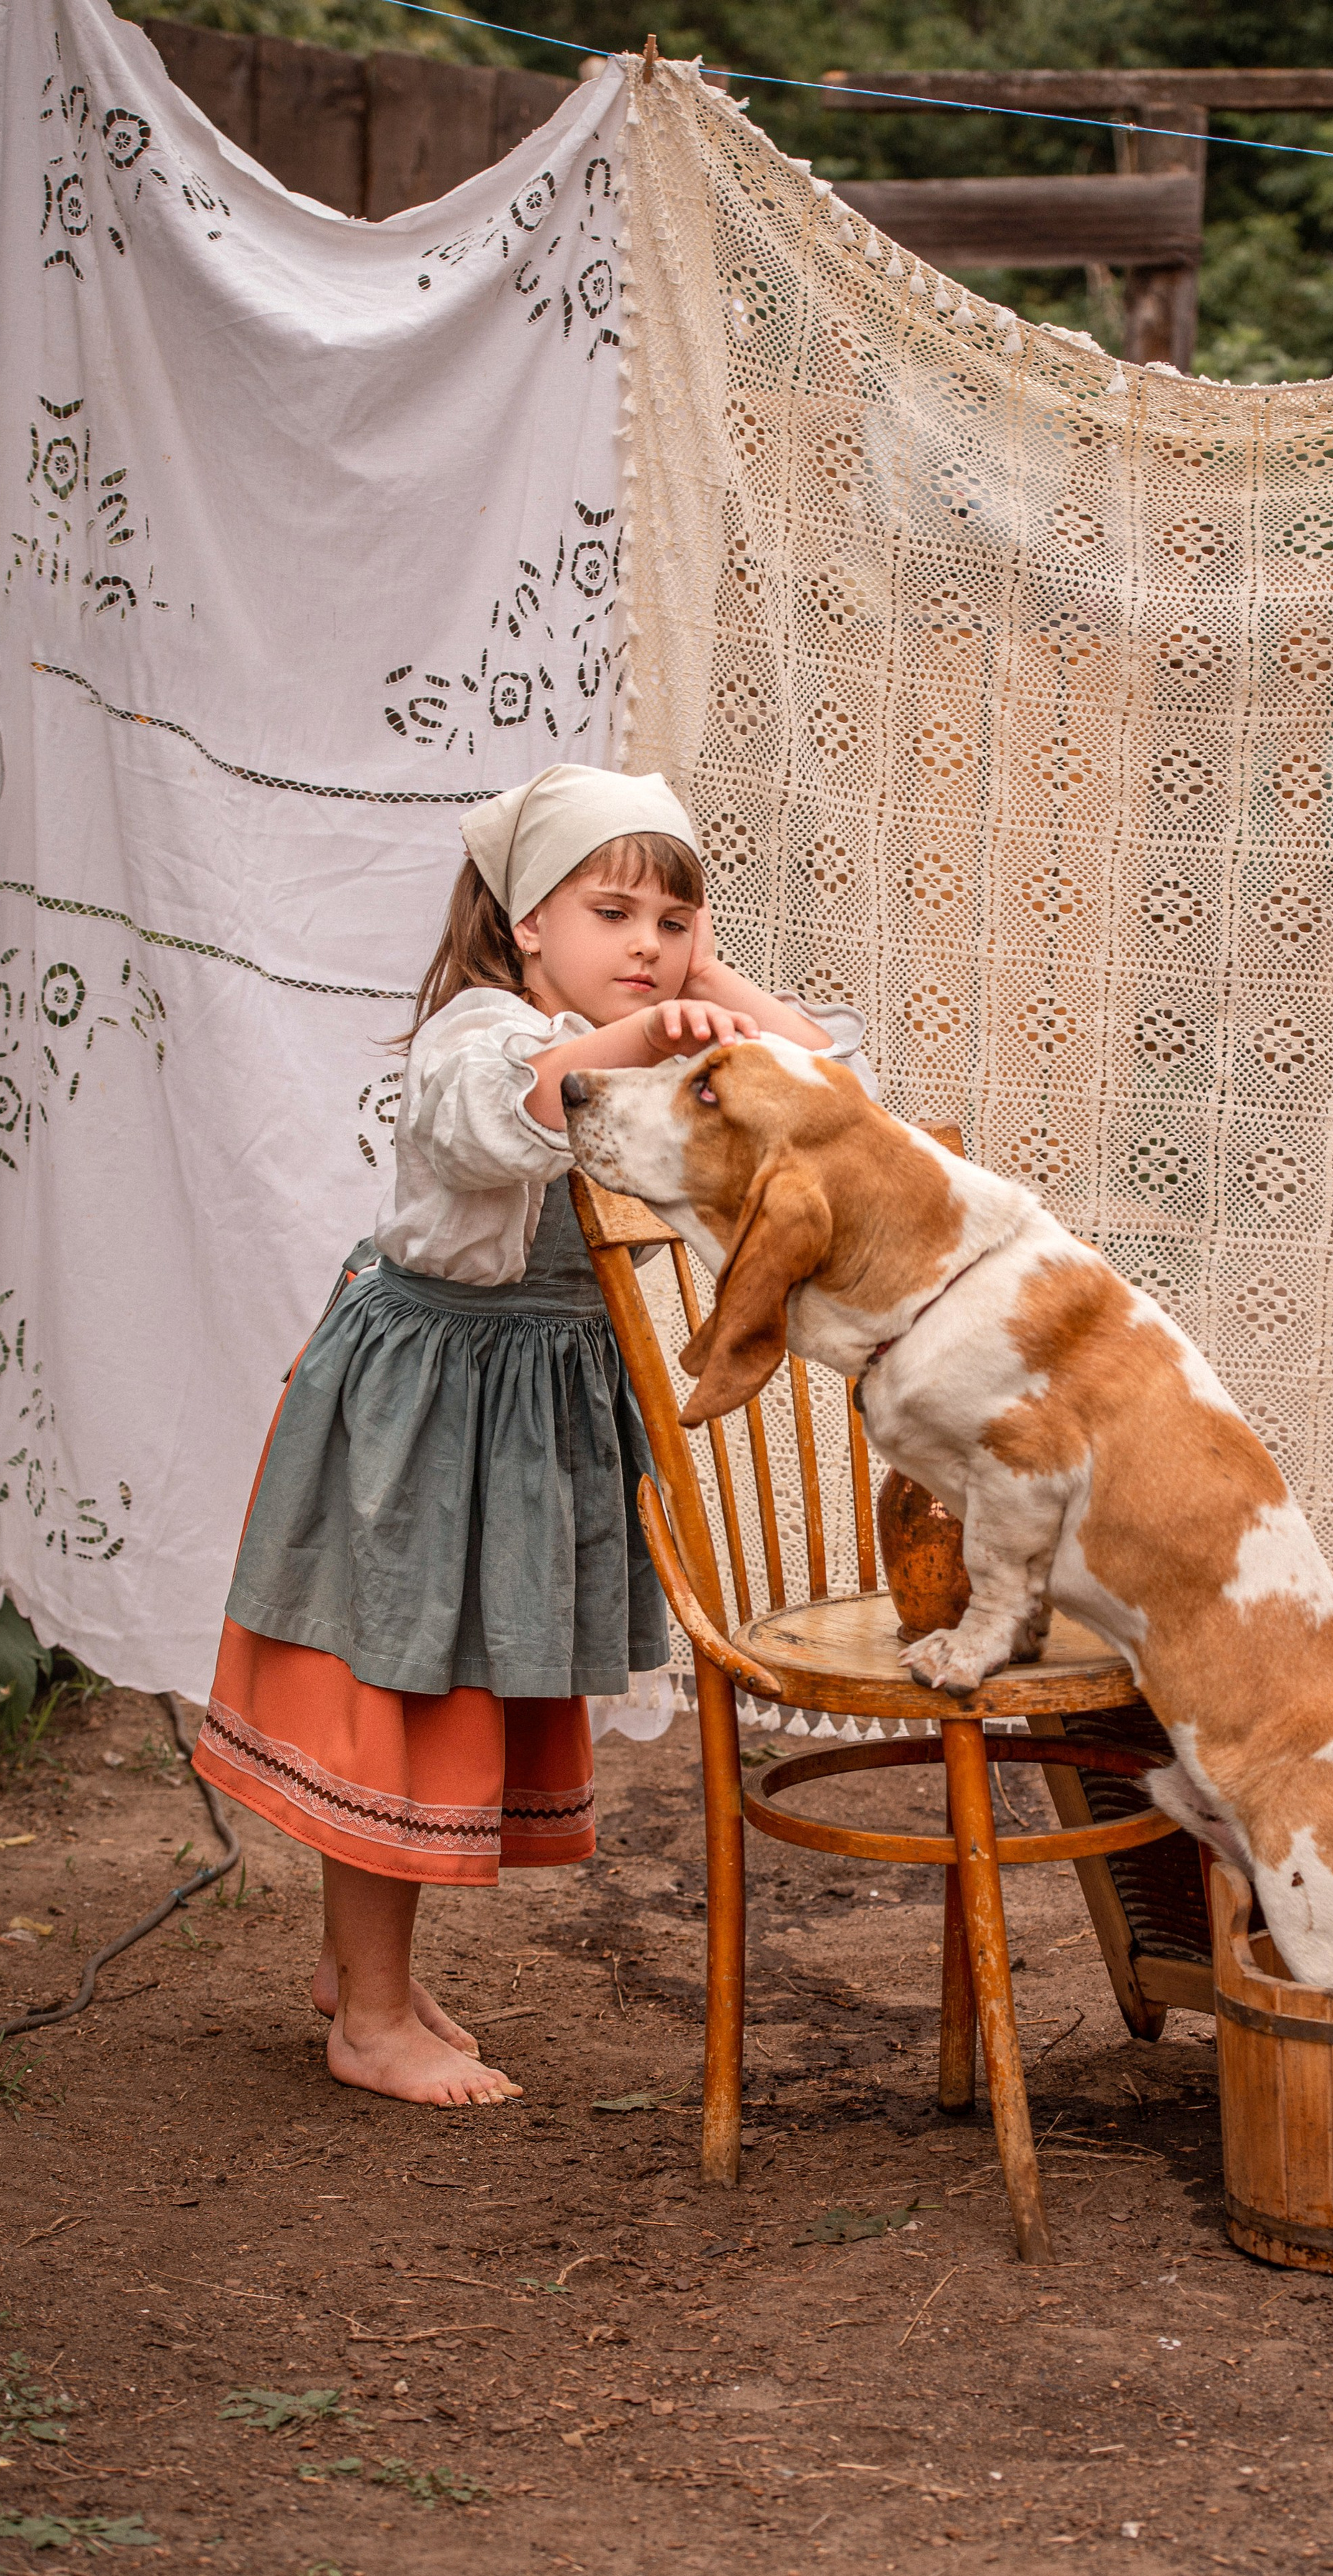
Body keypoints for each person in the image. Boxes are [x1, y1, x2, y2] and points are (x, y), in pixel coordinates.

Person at [192, 766, 864, 2106]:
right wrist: (637, 1033)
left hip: (530, 1408)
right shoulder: (483, 1030)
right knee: (408, 1687)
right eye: (612, 913)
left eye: (674, 921)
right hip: (430, 1406)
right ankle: (370, 2020)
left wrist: (711, 992)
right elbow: (510, 1113)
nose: (647, 948)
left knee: (461, 1683)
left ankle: (358, 1970)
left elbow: (831, 1092)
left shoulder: (653, 1035)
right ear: (520, 929)